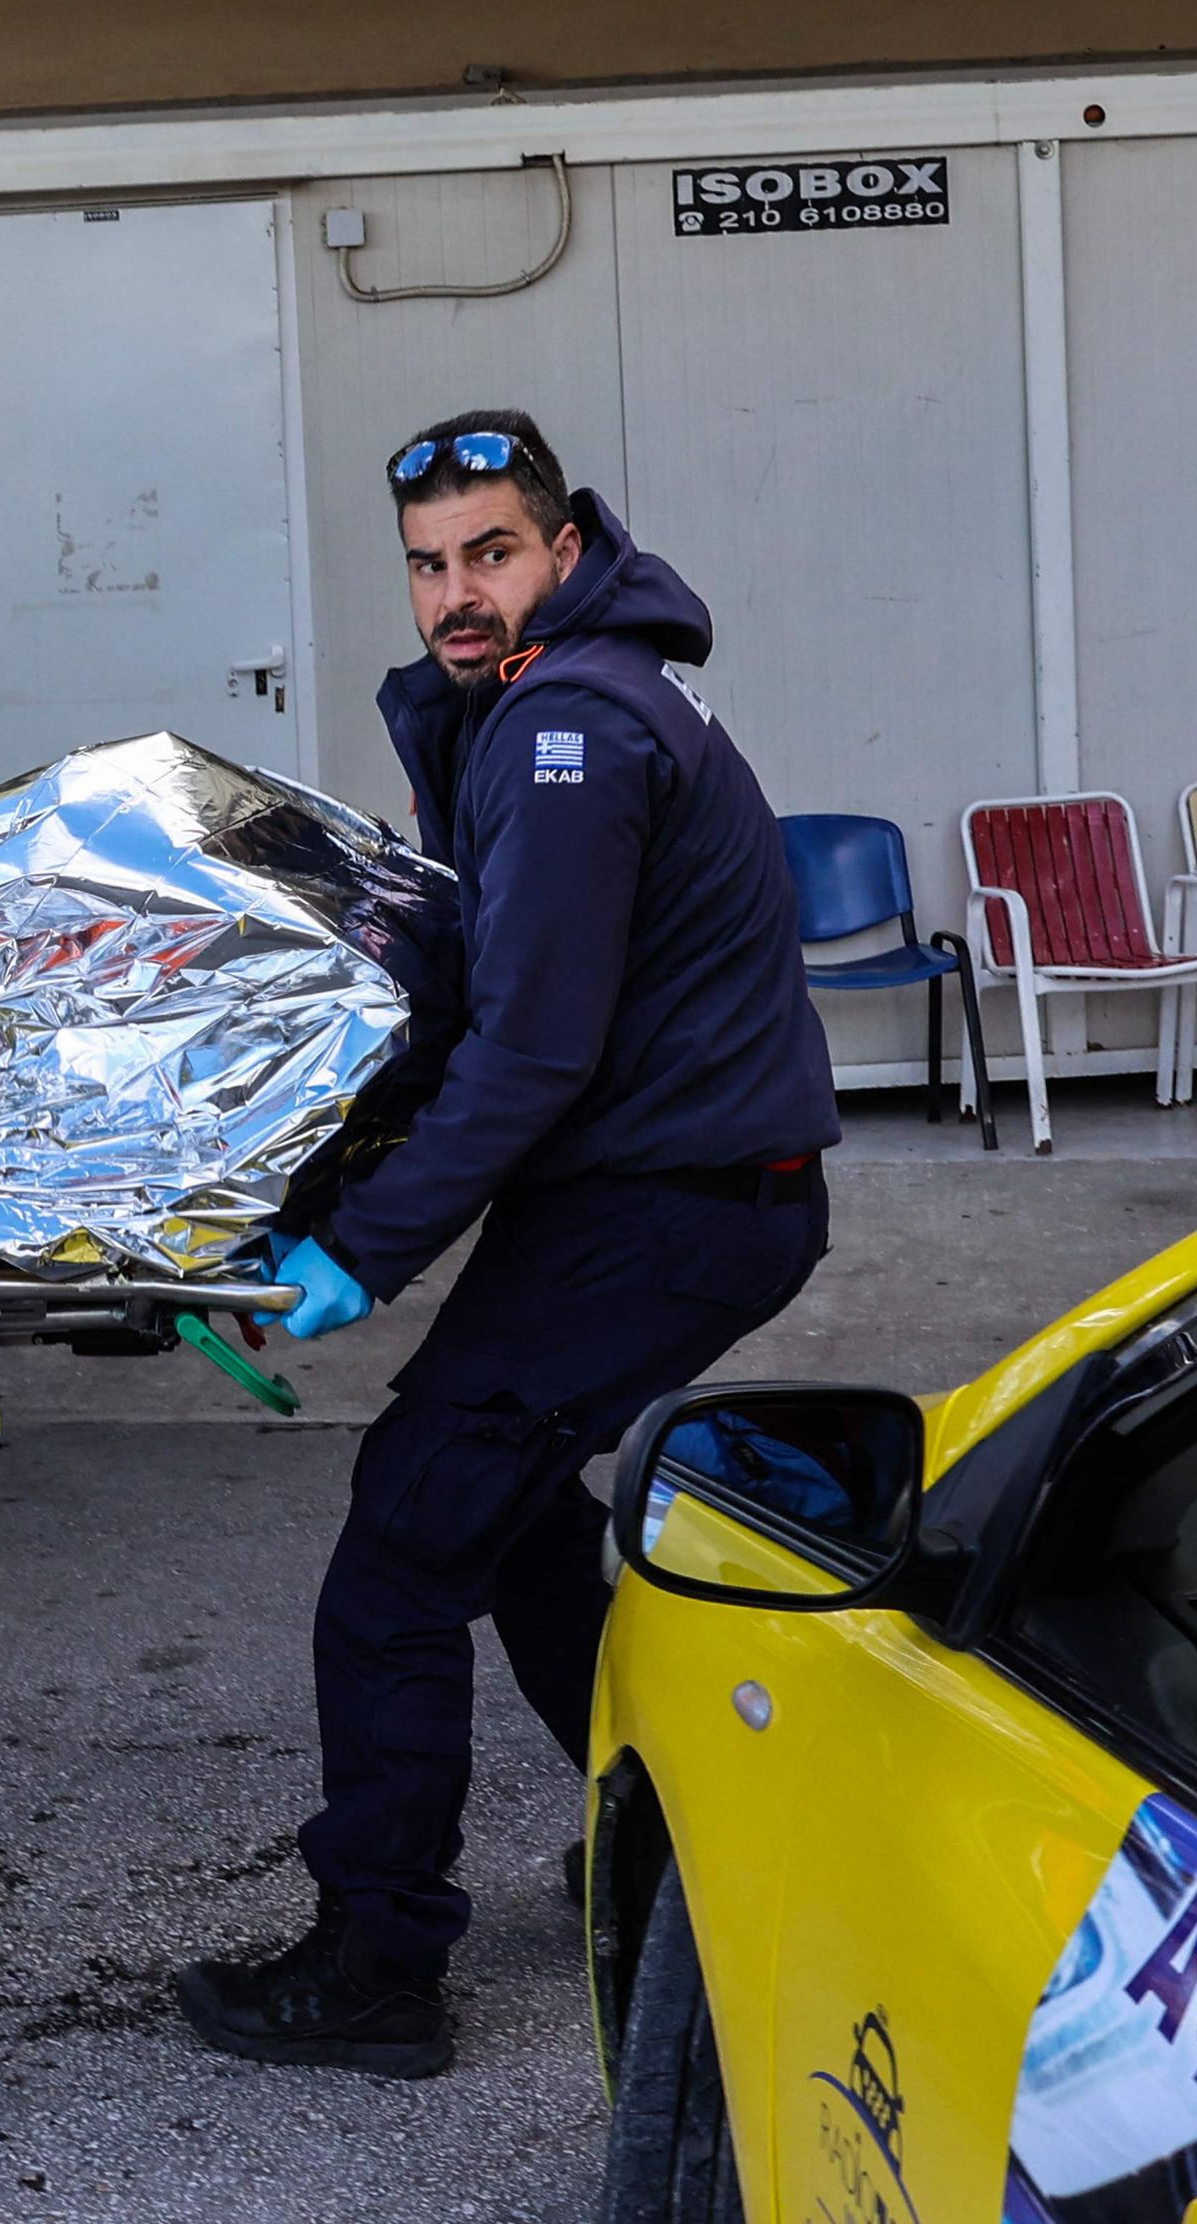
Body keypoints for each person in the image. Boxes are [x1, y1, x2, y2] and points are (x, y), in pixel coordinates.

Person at [177, 411, 838, 2081]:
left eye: (489, 552)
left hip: (671, 1207)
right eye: (425, 563)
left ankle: (381, 1958)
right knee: (517, 1510)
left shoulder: (571, 732)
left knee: (404, 1545)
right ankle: (671, 1833)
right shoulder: (558, 703)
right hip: (680, 1191)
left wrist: (364, 1251)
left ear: (561, 546)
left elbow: (533, 1049)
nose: (454, 593)